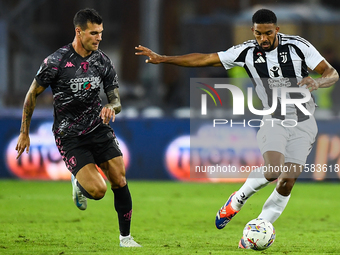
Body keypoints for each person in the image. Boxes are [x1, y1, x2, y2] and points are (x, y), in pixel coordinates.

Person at [136, 8, 339, 248]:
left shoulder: (298, 46)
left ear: (277, 30)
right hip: (274, 119)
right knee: (274, 170)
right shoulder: (245, 51)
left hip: (305, 122)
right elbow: (205, 58)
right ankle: (237, 199)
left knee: (287, 181)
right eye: (259, 34)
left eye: (268, 33)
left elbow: (331, 73)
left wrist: (317, 81)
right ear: (253, 31)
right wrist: (164, 59)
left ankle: (255, 232)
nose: (263, 39)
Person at [15, 8, 141, 248]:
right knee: (98, 191)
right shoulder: (56, 61)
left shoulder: (102, 60)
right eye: (94, 33)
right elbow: (32, 94)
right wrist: (24, 132)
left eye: (101, 33)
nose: (99, 38)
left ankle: (126, 238)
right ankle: (79, 181)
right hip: (69, 135)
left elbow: (116, 100)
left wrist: (111, 108)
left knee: (120, 179)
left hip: (98, 128)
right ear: (79, 32)